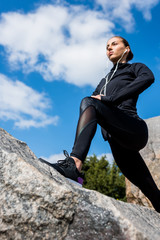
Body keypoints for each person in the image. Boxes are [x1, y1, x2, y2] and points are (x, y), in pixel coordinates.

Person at [40, 36, 160, 213]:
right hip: (116, 141)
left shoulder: (135, 67)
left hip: (132, 129)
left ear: (126, 49)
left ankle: (75, 163)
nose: (109, 48)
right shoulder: (104, 81)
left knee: (88, 102)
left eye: (114, 44)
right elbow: (93, 108)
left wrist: (111, 99)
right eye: (106, 46)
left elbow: (148, 77)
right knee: (150, 189)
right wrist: (103, 103)